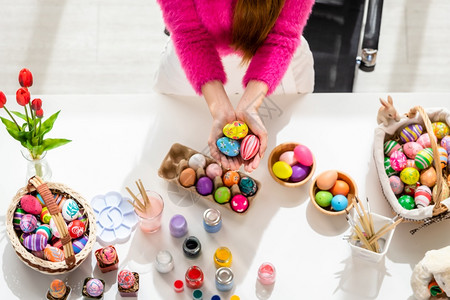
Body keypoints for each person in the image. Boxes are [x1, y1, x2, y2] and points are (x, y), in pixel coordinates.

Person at [154, 0, 315, 172]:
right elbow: (189, 32)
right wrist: (219, 109)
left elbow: (283, 34)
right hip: (192, 64)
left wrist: (250, 106)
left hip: (276, 67)